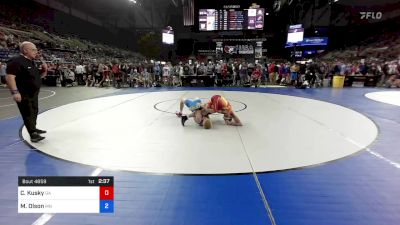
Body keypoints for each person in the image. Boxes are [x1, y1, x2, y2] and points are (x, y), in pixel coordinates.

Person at [6, 41, 48, 142]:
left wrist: (44, 70)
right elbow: (9, 77)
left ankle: (33, 128)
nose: (36, 52)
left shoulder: (31, 61)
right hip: (24, 93)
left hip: (33, 93)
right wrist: (15, 92)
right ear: (25, 50)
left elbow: (39, 76)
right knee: (28, 113)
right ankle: (32, 134)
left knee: (34, 111)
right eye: (33, 50)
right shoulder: (16, 60)